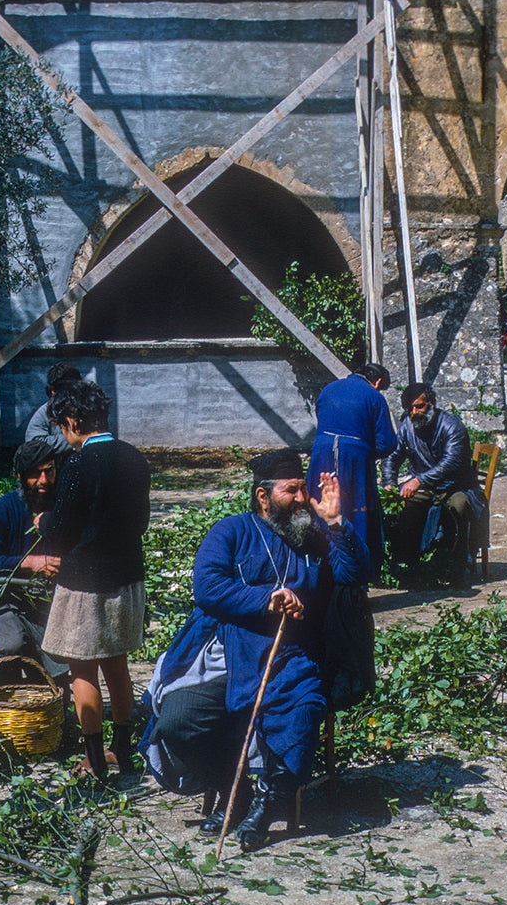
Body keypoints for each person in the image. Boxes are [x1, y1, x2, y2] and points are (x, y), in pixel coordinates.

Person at [140, 449, 364, 853]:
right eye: (290, 491)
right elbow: (207, 587)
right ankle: (229, 782)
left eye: (303, 489)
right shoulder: (230, 531)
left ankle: (265, 800)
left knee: (301, 709)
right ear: (263, 497)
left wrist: (334, 522)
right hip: (224, 651)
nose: (301, 499)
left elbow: (352, 575)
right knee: (178, 720)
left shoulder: (312, 536)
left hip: (290, 652)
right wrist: (267, 599)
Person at [36, 380, 150, 781]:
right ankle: (123, 750)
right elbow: (141, 522)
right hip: (128, 577)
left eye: (62, 429)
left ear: (70, 421)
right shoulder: (134, 458)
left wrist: (44, 521)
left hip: (85, 583)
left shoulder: (78, 465)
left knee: (82, 670)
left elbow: (62, 530)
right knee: (117, 666)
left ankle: (95, 761)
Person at [0, 439, 67, 686]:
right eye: (34, 474)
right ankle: (6, 699)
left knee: (57, 680)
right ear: (20, 475)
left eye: (49, 471)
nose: (43, 480)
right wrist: (29, 562)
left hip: (54, 605)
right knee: (8, 645)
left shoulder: (65, 508)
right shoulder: (2, 510)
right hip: (7, 601)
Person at [307, 362, 396, 582]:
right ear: (377, 382)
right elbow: (387, 443)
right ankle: (355, 577)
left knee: (319, 510)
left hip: (321, 457)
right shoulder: (374, 396)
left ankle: (316, 575)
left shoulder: (328, 389)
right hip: (354, 462)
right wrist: (363, 450)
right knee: (357, 514)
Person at [381, 382, 485, 569]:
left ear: (432, 403)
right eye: (409, 408)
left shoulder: (452, 426)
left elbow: (451, 463)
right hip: (426, 488)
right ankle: (410, 564)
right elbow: (393, 455)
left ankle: (457, 563)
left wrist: (419, 480)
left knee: (458, 507)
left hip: (456, 486)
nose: (414, 412)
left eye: (419, 406)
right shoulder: (407, 426)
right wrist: (389, 482)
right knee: (404, 508)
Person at [24, 362, 84, 461]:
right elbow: (34, 444)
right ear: (53, 389)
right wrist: (73, 440)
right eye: (66, 390)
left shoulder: (85, 408)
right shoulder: (44, 413)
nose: (71, 394)